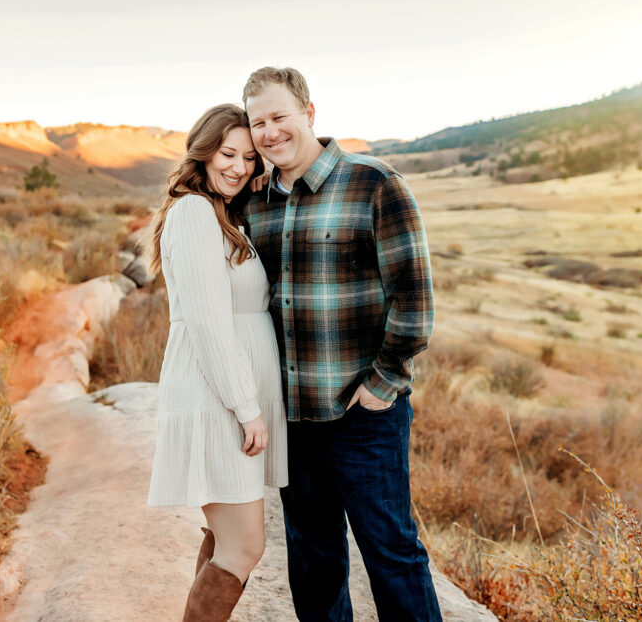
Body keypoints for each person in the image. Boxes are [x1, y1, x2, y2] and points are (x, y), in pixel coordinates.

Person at [242, 67, 441, 621]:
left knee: (392, 554)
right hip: (291, 417)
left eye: (279, 116)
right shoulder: (254, 202)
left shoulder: (374, 183)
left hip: (362, 412)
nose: (269, 132)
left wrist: (383, 383)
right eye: (258, 122)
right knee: (313, 557)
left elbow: (415, 298)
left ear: (309, 112)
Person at [146, 104, 287, 622]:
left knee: (228, 539)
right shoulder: (193, 214)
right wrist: (246, 407)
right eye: (227, 154)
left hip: (224, 397)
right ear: (202, 153)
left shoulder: (221, 215)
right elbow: (208, 323)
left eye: (249, 158)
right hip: (216, 400)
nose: (238, 167)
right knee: (244, 547)